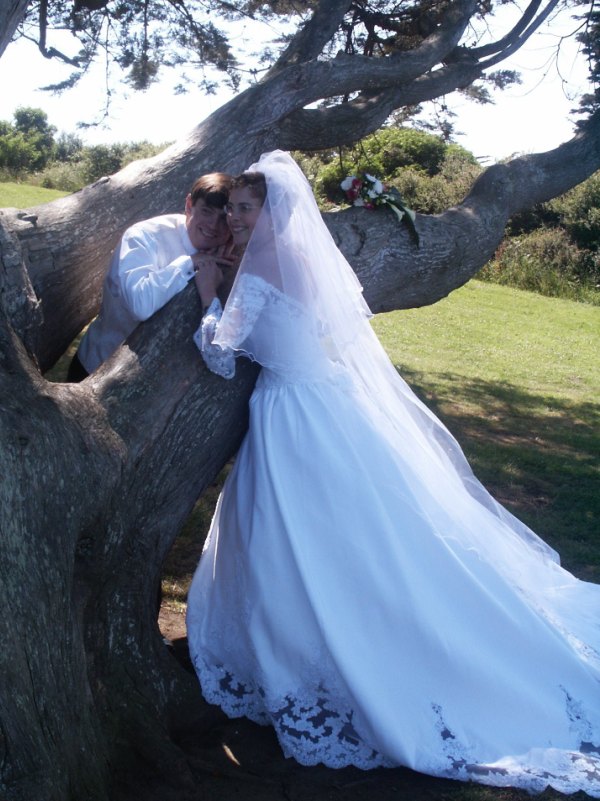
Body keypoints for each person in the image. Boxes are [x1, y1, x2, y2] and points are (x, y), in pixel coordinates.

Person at [186, 151, 600, 797]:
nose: (236, 218)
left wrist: (209, 290)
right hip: (326, 399)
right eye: (233, 207)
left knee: (306, 538)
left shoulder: (259, 266)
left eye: (247, 207)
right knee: (349, 534)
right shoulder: (295, 258)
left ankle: (324, 656)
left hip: (295, 413)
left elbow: (219, 354)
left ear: (273, 211)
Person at [67, 172, 234, 382]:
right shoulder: (144, 237)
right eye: (207, 212)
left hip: (156, 381)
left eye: (223, 219)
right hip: (97, 368)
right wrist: (190, 261)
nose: (214, 225)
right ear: (189, 205)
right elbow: (140, 304)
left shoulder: (225, 251)